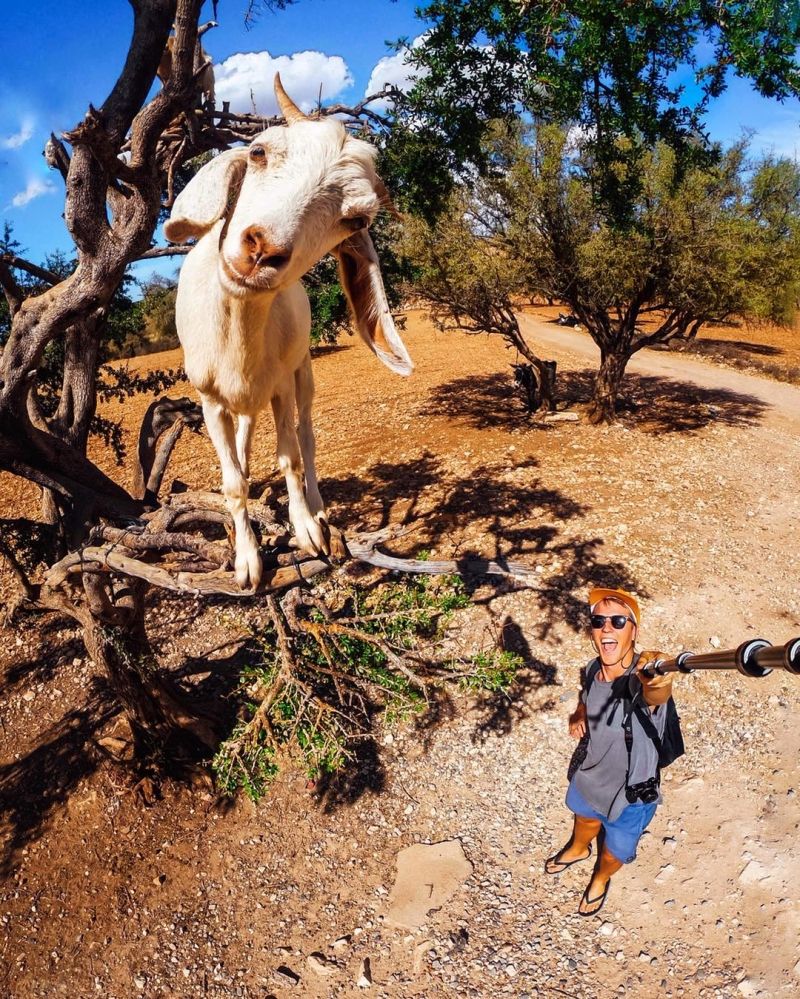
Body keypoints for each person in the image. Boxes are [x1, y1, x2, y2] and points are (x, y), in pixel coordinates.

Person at [545, 587, 674, 916]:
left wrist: (657, 676)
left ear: (634, 631)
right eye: (599, 621)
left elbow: (656, 695)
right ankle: (578, 849)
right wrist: (579, 713)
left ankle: (600, 879)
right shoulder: (591, 668)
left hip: (632, 798)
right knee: (583, 818)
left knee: (614, 853)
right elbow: (587, 693)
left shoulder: (643, 682)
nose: (607, 628)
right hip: (590, 777)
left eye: (618, 621)